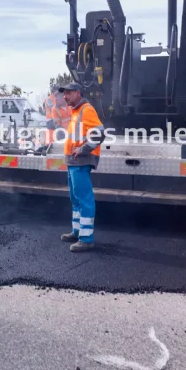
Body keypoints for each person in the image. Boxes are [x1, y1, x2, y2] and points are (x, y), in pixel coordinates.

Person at [58, 82, 105, 252]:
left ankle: (86, 239)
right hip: (73, 162)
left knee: (84, 199)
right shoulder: (76, 111)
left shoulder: (86, 109)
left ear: (78, 93)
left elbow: (99, 132)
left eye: (68, 93)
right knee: (75, 198)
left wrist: (84, 149)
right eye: (64, 94)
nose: (65, 96)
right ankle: (77, 232)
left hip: (81, 161)